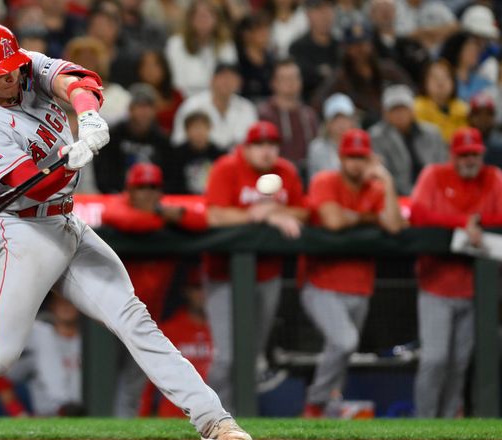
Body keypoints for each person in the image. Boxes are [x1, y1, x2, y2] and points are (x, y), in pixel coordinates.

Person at [0, 22, 253, 440]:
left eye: (12, 66)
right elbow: (32, 185)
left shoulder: (26, 65)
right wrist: (67, 163)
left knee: (134, 319)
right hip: (21, 229)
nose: (11, 75)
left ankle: (213, 419)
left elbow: (81, 81)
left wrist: (89, 116)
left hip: (65, 222)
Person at [301, 129, 405, 417]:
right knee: (344, 341)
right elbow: (333, 221)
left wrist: (388, 181)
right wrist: (369, 218)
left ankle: (327, 414)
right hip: (322, 283)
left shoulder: (375, 187)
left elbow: (395, 225)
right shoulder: (326, 180)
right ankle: (315, 403)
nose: (357, 163)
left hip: (360, 285)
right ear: (341, 157)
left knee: (342, 352)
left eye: (362, 157)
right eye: (351, 157)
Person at [204, 121, 308, 406]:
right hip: (223, 275)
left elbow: (304, 212)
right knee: (227, 357)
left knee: (252, 356)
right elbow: (214, 216)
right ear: (246, 148)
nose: (266, 151)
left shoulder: (286, 171)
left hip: (267, 275)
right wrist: (255, 214)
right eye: (259, 145)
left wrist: (275, 211)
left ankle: (240, 418)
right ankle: (208, 415)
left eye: (272, 145)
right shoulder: (227, 167)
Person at [101, 162, 208, 416]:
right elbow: (116, 217)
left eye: (153, 187)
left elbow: (202, 220)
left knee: (133, 387)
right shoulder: (125, 209)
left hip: (145, 320)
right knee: (102, 383)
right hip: (106, 317)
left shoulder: (166, 215)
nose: (147, 193)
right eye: (141, 187)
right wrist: (162, 216)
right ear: (130, 191)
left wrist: (169, 215)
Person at [409, 127, 502, 417]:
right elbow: (418, 214)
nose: (469, 160)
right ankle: (424, 426)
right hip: (436, 285)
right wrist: (462, 222)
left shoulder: (493, 177)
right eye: (463, 155)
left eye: (474, 154)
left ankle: (448, 428)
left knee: (460, 363)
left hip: (475, 292)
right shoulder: (434, 175)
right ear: (453, 155)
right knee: (435, 359)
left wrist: (477, 220)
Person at [139, 269, 213, 418]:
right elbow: (149, 381)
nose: (202, 294)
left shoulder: (224, 330)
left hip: (218, 411)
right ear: (186, 292)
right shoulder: (169, 329)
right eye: (196, 288)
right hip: (174, 415)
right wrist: (143, 415)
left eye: (205, 288)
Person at [5, 293, 84, 417]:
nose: (66, 306)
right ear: (51, 306)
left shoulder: (93, 344)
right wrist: (18, 413)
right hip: (48, 416)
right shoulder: (38, 338)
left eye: (70, 301)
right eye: (59, 301)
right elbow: (3, 377)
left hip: (86, 415)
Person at [369, 85, 448, 195]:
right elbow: (383, 175)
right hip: (397, 196)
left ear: (412, 110)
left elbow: (443, 166)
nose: (399, 114)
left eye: (403, 108)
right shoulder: (376, 137)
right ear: (385, 114)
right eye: (394, 110)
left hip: (435, 193)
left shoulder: (432, 133)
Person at [94, 83, 173, 194]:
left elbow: (170, 177)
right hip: (117, 196)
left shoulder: (162, 141)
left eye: (149, 107)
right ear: (130, 109)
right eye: (140, 106)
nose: (144, 112)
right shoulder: (113, 136)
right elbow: (103, 173)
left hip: (151, 199)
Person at [171, 63, 257, 151]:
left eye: (232, 78)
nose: (227, 82)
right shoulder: (192, 106)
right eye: (223, 77)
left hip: (237, 160)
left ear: (239, 83)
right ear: (212, 79)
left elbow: (254, 143)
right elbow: (179, 141)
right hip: (200, 159)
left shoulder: (247, 108)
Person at [164, 0, 237, 98]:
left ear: (216, 19)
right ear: (190, 19)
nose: (203, 20)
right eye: (199, 16)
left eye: (207, 16)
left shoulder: (226, 45)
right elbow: (176, 80)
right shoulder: (176, 43)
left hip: (216, 98)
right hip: (184, 97)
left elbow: (229, 77)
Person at [257, 59, 319, 171]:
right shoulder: (264, 115)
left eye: (294, 77)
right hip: (274, 174)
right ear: (274, 83)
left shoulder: (309, 115)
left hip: (308, 175)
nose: (291, 82)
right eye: (285, 78)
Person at [289, 0, 339, 102]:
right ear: (308, 14)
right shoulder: (298, 48)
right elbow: (304, 80)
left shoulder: (340, 46)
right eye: (319, 10)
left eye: (328, 9)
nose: (325, 15)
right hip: (310, 104)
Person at [167, 111, 225, 195]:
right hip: (184, 200)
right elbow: (172, 185)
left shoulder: (220, 155)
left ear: (209, 129)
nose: (199, 132)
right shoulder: (176, 154)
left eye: (202, 127)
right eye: (195, 128)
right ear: (186, 131)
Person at [413, 60, 469, 143]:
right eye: (435, 77)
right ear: (424, 82)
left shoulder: (462, 108)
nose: (440, 82)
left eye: (446, 77)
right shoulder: (417, 107)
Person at [307, 93, 358, 180]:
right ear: (328, 124)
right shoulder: (317, 147)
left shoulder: (360, 145)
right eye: (336, 120)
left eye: (345, 119)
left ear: (352, 122)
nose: (341, 125)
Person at [468, 92, 502, 169]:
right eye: (478, 114)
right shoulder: (463, 141)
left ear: (494, 117)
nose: (483, 119)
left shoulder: (500, 143)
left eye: (488, 114)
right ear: (470, 117)